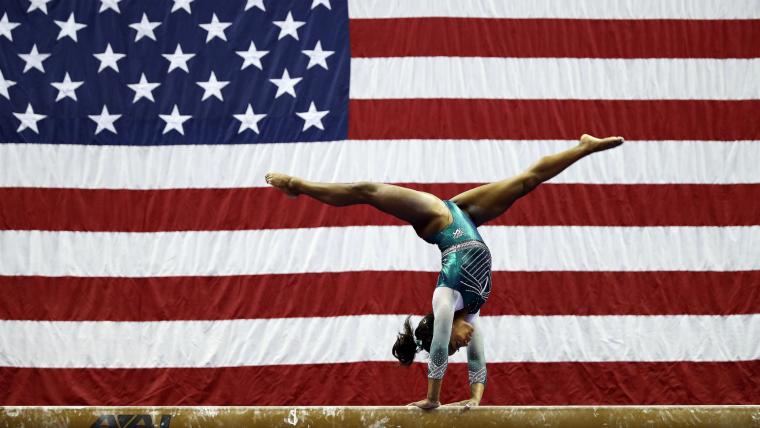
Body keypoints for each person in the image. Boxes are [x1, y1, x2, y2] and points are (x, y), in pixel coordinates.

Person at [265, 134, 624, 409]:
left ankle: (299, 186)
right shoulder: (473, 311)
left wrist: (433, 397)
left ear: (445, 326)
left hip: (436, 220)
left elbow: (438, 345)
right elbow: (478, 360)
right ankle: (584, 147)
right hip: (464, 217)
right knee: (526, 182)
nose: (461, 343)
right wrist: (475, 399)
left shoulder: (445, 298)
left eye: (455, 342)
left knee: (368, 191)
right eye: (458, 346)